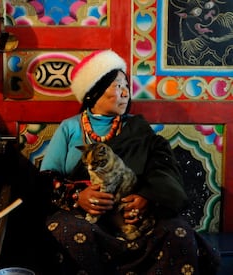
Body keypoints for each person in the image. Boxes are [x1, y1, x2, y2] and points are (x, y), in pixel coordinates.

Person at [39, 49, 220, 274]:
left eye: (126, 86)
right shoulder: (70, 128)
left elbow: (163, 170)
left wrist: (147, 197)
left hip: (132, 215)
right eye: (117, 86)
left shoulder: (138, 129)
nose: (125, 93)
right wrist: (78, 196)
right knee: (67, 233)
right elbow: (45, 179)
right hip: (84, 217)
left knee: (177, 233)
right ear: (92, 93)